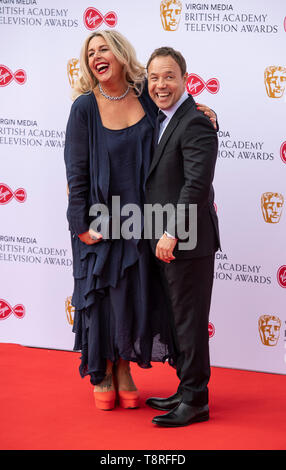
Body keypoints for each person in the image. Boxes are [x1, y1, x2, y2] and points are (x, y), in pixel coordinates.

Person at [64, 30, 217, 411]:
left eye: (104, 49)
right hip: (100, 220)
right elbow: (75, 172)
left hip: (144, 221)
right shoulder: (83, 107)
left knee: (131, 294)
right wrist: (79, 224)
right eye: (91, 52)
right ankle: (103, 372)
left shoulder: (145, 96)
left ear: (119, 55)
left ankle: (125, 370)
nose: (97, 56)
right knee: (101, 296)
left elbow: (177, 122)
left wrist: (207, 112)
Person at [145, 47, 220, 427]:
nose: (161, 84)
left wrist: (172, 232)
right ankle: (186, 388)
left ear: (185, 79)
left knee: (190, 323)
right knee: (177, 322)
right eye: (154, 77)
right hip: (164, 239)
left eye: (169, 76)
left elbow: (196, 185)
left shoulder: (195, 122)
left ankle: (197, 401)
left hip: (186, 242)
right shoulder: (161, 116)